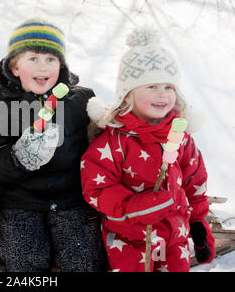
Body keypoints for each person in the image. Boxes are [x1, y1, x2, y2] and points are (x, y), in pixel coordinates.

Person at [0, 19, 107, 272]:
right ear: (15, 67)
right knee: (25, 259)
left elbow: (109, 132)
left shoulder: (79, 100)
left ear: (61, 66)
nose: (43, 66)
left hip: (70, 200)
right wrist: (18, 157)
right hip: (19, 202)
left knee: (82, 260)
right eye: (33, 59)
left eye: (51, 59)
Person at [81, 27, 215, 272]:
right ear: (128, 94)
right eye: (151, 86)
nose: (162, 94)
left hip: (176, 240)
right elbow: (96, 188)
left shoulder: (181, 136)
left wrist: (198, 224)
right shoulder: (114, 141)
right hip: (130, 241)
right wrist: (137, 207)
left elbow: (195, 182)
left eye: (169, 87)